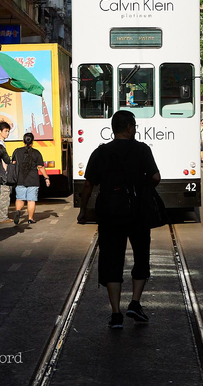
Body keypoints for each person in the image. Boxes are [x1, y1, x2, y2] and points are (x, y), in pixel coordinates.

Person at [77, 110, 160, 329]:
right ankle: (135, 302)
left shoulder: (101, 152)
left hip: (110, 214)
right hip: (137, 213)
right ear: (130, 127)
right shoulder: (142, 150)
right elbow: (155, 178)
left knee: (112, 260)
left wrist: (83, 210)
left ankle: (115, 314)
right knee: (141, 256)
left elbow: (88, 185)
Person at [12, 133, 50, 225]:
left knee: (20, 198)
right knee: (31, 200)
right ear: (33, 141)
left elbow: (13, 164)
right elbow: (40, 167)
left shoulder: (17, 151)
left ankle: (18, 211)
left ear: (23, 141)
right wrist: (46, 178)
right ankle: (30, 218)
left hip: (20, 179)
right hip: (33, 180)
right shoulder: (36, 153)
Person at [0, 121, 13, 223]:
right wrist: (6, 172)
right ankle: (2, 217)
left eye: (8, 131)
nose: (7, 133)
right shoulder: (0, 144)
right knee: (4, 194)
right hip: (2, 173)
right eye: (5, 131)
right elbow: (3, 161)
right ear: (0, 131)